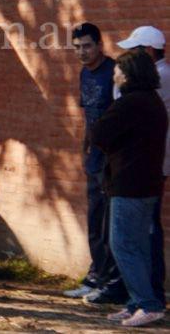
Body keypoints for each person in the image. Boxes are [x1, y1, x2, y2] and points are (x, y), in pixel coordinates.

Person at [93, 49, 168, 327]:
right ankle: (138, 302)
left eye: (118, 69)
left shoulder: (130, 103)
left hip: (130, 184)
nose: (114, 74)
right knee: (137, 246)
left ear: (129, 73)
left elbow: (99, 132)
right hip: (146, 182)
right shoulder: (151, 100)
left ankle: (148, 304)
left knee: (122, 244)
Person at [64, 23, 127, 304]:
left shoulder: (113, 74)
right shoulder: (84, 74)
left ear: (100, 45)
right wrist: (85, 149)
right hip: (95, 160)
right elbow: (89, 117)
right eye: (77, 47)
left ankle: (109, 281)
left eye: (87, 46)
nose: (82, 52)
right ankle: (95, 276)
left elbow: (121, 119)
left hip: (112, 162)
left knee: (106, 224)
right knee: (94, 220)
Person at [116, 26, 169, 309]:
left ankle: (148, 298)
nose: (128, 58)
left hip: (147, 166)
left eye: (134, 51)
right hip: (151, 164)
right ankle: (144, 296)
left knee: (141, 235)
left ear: (148, 52)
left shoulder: (160, 78)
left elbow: (120, 109)